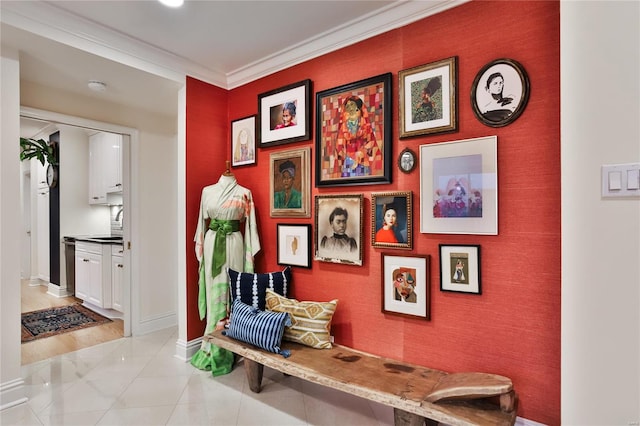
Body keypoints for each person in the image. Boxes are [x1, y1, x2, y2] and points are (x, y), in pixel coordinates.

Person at [191, 171, 261, 376]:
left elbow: (250, 225)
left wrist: (249, 252)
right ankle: (211, 345)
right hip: (213, 242)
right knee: (215, 291)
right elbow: (200, 224)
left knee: (234, 290)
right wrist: (202, 248)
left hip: (235, 242)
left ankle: (232, 345)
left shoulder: (244, 193)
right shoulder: (207, 191)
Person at [334, 95, 381, 178]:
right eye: (347, 106)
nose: (350, 108)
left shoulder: (365, 125)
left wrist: (361, 153)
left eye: (352, 105)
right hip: (349, 162)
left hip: (362, 161)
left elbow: (371, 142)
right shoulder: (343, 127)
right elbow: (339, 146)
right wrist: (348, 156)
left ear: (357, 107)